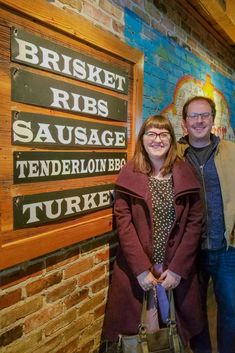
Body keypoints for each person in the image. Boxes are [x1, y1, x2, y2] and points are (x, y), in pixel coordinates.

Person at [103, 114, 204, 350]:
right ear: (142, 138)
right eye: (151, 133)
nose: (157, 139)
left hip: (174, 269)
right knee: (141, 334)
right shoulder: (130, 173)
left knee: (173, 332)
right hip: (138, 271)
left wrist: (178, 269)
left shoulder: (184, 173)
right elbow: (124, 224)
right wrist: (140, 269)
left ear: (171, 139)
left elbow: (194, 223)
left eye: (163, 133)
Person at [177, 96, 235, 353]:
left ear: (213, 119)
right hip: (190, 251)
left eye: (205, 115)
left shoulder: (232, 152)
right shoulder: (174, 156)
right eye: (193, 116)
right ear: (184, 122)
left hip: (226, 248)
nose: (199, 121)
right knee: (194, 312)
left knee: (231, 309)